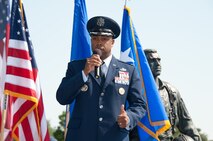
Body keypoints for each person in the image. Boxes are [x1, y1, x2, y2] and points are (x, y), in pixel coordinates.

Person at [56, 16, 147, 141]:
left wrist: (129, 118)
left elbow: (140, 105)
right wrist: (84, 73)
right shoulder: (76, 67)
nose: (99, 42)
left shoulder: (128, 70)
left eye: (104, 39)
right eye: (94, 38)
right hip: (81, 136)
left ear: (112, 42)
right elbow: (62, 97)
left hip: (114, 136)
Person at [130, 49, 202, 141]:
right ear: (142, 64)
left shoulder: (171, 91)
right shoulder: (133, 91)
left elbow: (188, 126)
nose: (157, 63)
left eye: (159, 60)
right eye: (152, 60)